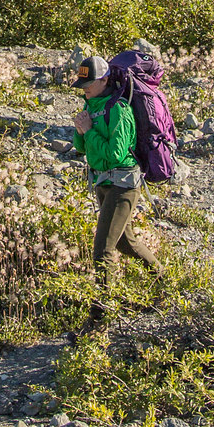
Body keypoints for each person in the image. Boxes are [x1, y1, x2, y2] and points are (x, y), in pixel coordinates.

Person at [72, 55, 160, 281]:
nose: (85, 90)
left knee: (103, 251)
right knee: (124, 242)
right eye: (82, 86)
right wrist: (81, 130)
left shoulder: (119, 109)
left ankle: (102, 311)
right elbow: (81, 148)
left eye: (89, 84)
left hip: (123, 185)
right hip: (104, 183)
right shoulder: (91, 105)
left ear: (104, 80)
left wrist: (89, 131)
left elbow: (116, 154)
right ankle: (163, 280)